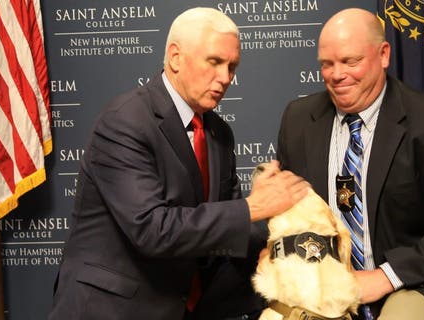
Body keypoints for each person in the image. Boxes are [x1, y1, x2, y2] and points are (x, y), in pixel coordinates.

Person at [49, 7, 309, 320]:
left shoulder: (218, 133)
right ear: (175, 57)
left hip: (181, 307)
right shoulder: (125, 121)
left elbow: (223, 227)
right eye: (214, 62)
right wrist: (254, 207)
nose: (225, 78)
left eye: (232, 66)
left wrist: (278, 250)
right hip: (111, 310)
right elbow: (151, 229)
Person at [276, 8, 424, 320]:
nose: (337, 74)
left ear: (383, 55)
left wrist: (386, 276)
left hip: (419, 284)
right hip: (327, 286)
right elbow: (291, 217)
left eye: (350, 61)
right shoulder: (298, 120)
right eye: (327, 64)